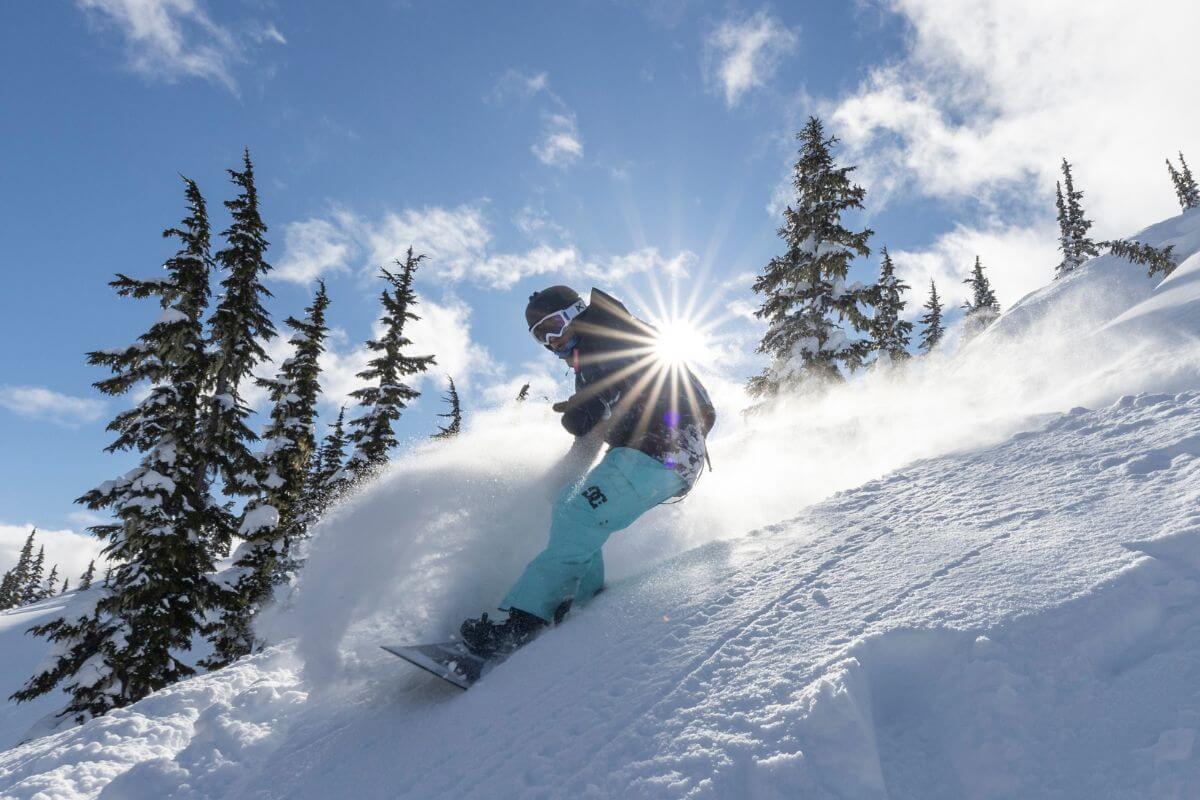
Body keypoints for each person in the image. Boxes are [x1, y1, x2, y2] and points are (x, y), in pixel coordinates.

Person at [459, 285, 715, 659]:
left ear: (576, 311)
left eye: (554, 325)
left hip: (666, 448)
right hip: (639, 454)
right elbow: (591, 438)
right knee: (567, 503)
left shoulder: (612, 332)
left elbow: (639, 368)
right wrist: (558, 480)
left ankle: (523, 623)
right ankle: (582, 599)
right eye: (540, 336)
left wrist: (596, 399)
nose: (551, 341)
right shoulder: (588, 363)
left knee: (579, 515)